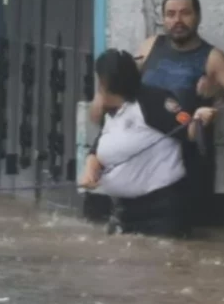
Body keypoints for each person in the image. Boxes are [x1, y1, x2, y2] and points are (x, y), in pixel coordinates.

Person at [88, 0, 224, 224]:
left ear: (198, 16)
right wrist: (100, 99)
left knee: (185, 244)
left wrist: (221, 91)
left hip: (187, 161)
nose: (177, 21)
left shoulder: (212, 57)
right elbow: (123, 86)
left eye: (185, 13)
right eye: (170, 14)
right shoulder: (151, 46)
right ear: (163, 19)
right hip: (144, 160)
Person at [81, 49, 215, 237]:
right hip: (123, 211)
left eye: (101, 82)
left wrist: (199, 118)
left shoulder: (153, 101)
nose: (99, 87)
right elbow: (99, 146)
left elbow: (187, 132)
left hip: (160, 212)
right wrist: (89, 169)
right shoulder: (113, 110)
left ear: (108, 83)